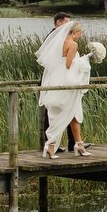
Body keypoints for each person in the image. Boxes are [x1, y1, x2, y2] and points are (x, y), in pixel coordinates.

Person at [38, 19, 94, 157]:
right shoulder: (73, 44)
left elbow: (59, 62)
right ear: (74, 33)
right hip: (68, 79)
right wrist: (84, 61)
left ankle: (79, 145)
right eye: (80, 32)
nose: (80, 35)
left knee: (72, 113)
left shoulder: (60, 43)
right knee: (64, 113)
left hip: (56, 77)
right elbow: (69, 64)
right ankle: (51, 145)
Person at [37, 12, 72, 148]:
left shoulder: (63, 37)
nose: (69, 25)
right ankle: (50, 144)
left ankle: (71, 142)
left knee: (68, 107)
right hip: (53, 78)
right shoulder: (54, 37)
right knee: (51, 109)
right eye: (67, 22)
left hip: (60, 77)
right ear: (58, 22)